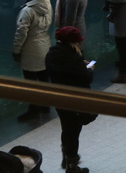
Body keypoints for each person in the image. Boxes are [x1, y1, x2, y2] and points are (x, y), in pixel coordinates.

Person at [45, 26, 96, 173]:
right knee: (74, 131)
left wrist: (80, 65)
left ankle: (66, 158)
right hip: (74, 100)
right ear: (73, 42)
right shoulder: (73, 58)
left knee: (66, 128)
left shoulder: (51, 54)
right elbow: (85, 78)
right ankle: (72, 165)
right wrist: (89, 68)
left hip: (59, 99)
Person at [12, 0, 53, 122]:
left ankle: (33, 110)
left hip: (31, 49)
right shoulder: (47, 5)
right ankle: (45, 106)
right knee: (43, 79)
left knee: (31, 82)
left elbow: (21, 33)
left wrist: (16, 50)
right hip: (45, 45)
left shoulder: (27, 11)